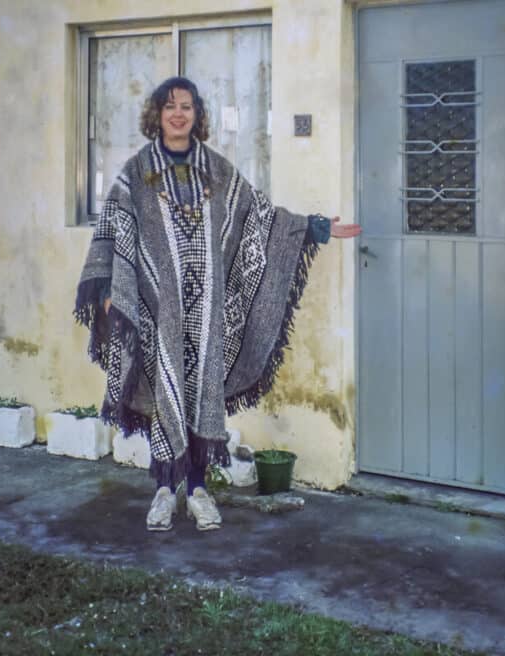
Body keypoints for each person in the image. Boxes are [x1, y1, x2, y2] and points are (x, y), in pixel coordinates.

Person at [75, 76, 360, 532]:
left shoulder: (219, 172)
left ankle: (200, 490)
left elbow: (261, 218)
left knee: (201, 392)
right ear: (157, 114)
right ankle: (165, 491)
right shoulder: (135, 173)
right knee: (162, 388)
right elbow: (112, 231)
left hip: (208, 312)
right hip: (156, 308)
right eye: (170, 106)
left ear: (197, 115)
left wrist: (316, 228)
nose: (178, 114)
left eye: (186, 106)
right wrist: (109, 291)